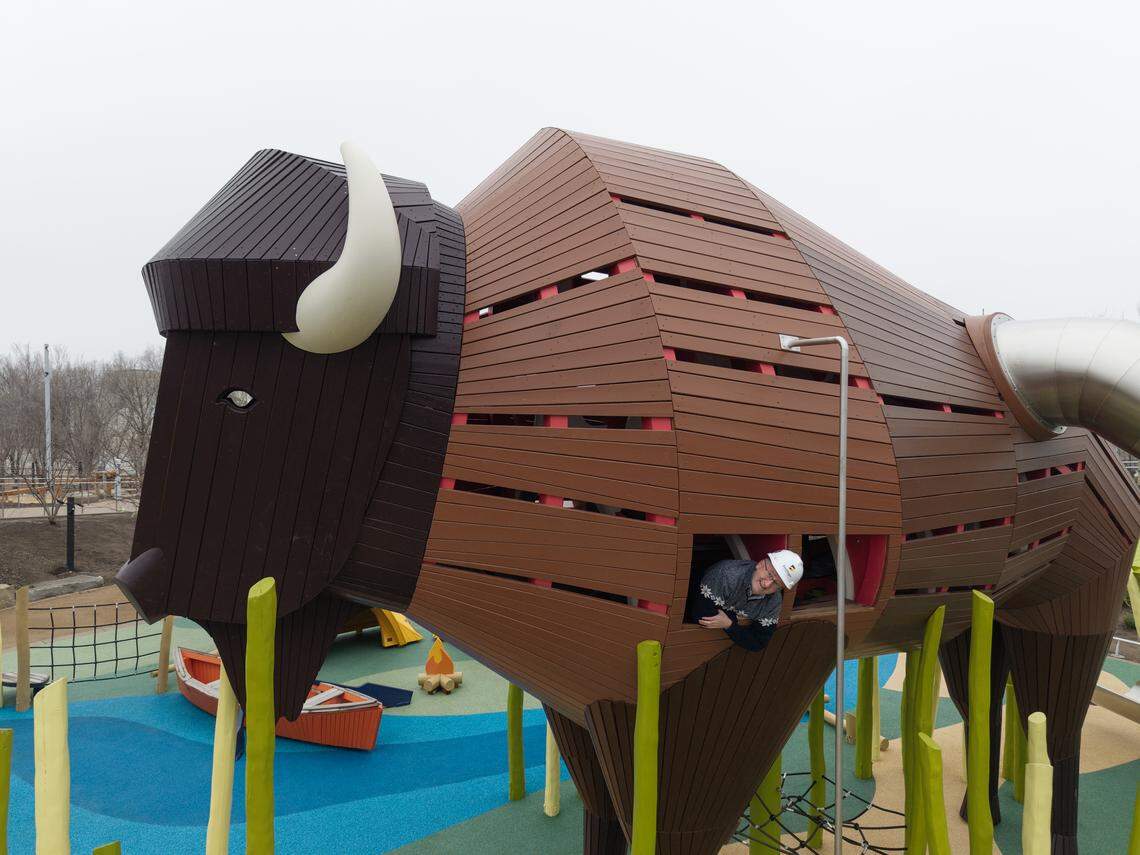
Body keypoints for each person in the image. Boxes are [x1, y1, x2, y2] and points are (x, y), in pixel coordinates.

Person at [692, 549, 804, 651]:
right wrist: (735, 620)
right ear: (760, 564)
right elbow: (700, 615)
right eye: (770, 574)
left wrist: (729, 625)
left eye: (776, 583)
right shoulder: (726, 574)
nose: (767, 584)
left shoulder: (773, 602)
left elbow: (759, 642)